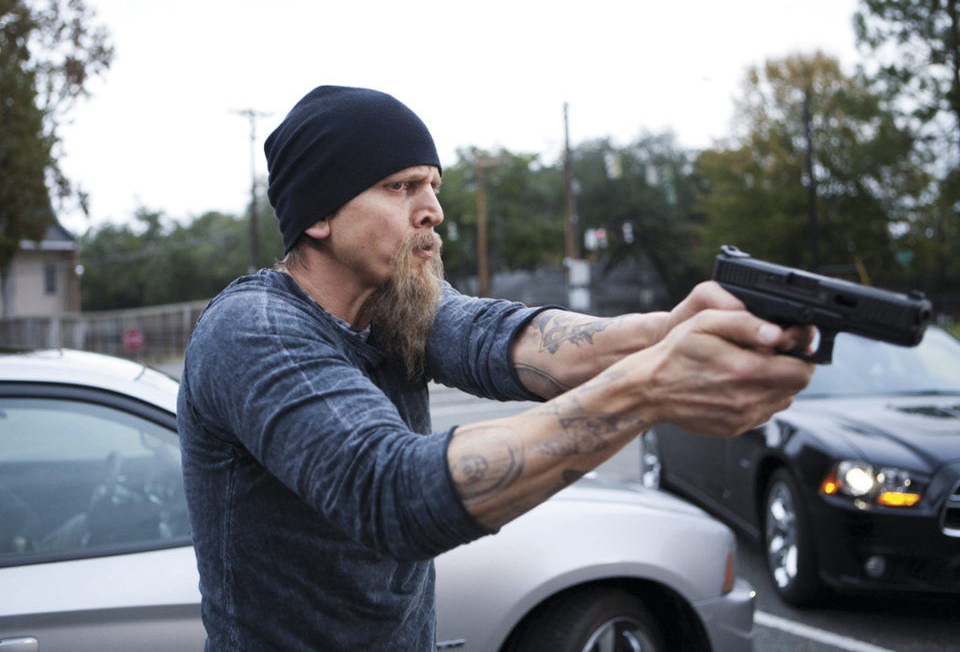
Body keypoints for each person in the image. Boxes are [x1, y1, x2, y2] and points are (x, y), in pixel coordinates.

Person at [177, 85, 814, 651]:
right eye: (400, 186)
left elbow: (504, 339)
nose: (432, 209)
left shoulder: (397, 303)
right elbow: (389, 491)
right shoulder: (254, 329)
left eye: (433, 185)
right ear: (319, 214)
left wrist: (667, 332)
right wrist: (647, 389)